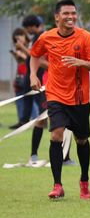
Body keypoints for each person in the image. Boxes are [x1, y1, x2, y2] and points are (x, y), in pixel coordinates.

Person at [29, 0, 90, 200]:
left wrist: (80, 62)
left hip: (79, 98)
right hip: (55, 95)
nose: (71, 17)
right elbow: (34, 55)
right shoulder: (47, 37)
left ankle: (84, 181)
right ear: (57, 17)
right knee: (56, 135)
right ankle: (57, 185)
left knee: (81, 139)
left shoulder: (85, 37)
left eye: (73, 13)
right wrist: (33, 75)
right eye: (66, 13)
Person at [22, 15, 49, 164]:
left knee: (63, 123)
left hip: (48, 83)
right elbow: (36, 57)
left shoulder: (43, 36)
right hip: (43, 82)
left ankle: (65, 157)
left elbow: (36, 56)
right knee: (42, 119)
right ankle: (33, 155)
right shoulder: (41, 37)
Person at [10, 27, 31, 129]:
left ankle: (33, 120)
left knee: (31, 99)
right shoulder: (18, 48)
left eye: (19, 38)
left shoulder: (29, 45)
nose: (18, 41)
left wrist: (21, 53)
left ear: (24, 36)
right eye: (16, 39)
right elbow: (20, 63)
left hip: (29, 75)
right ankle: (21, 121)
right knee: (19, 98)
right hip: (20, 74)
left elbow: (32, 58)